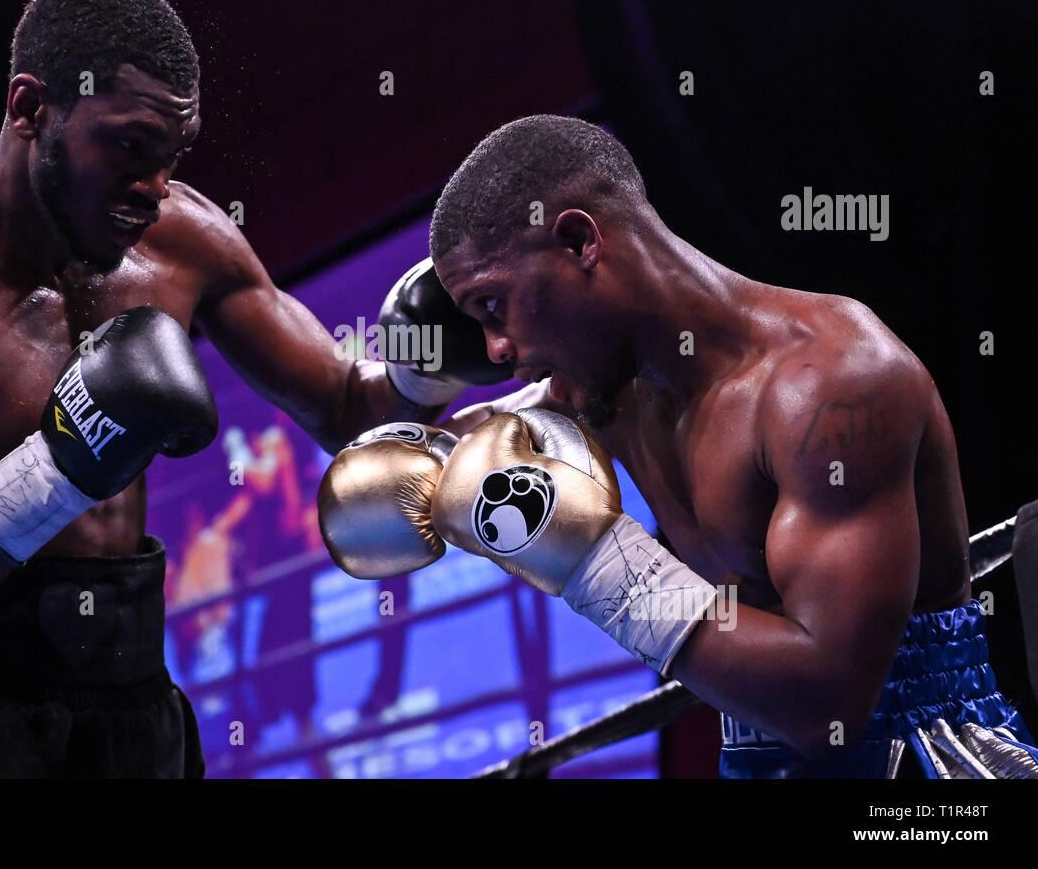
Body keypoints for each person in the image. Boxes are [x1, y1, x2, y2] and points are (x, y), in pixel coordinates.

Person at [0, 0, 500, 778]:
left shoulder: (184, 239)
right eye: (130, 148)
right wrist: (51, 475)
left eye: (172, 157)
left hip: (134, 721)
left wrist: (426, 362)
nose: (155, 189)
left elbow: (344, 405)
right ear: (30, 110)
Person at [319, 114, 1038, 778]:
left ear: (579, 241)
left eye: (493, 305)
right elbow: (456, 450)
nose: (501, 349)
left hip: (927, 767)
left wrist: (592, 561)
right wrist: (422, 457)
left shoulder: (829, 384)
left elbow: (831, 707)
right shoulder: (603, 390)